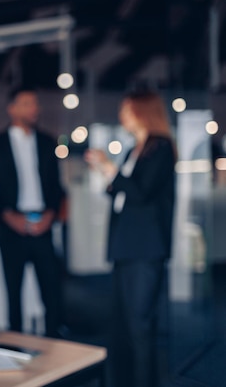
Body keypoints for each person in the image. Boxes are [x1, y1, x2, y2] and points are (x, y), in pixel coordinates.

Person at [84, 90, 176, 387]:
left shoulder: (160, 148)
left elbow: (140, 193)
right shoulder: (133, 149)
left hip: (146, 248)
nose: (121, 116)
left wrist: (110, 168)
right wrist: (106, 170)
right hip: (126, 246)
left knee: (140, 325)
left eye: (126, 110)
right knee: (123, 325)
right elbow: (119, 193)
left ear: (142, 111)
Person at [0, 86, 65, 337]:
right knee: (13, 291)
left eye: (36, 103)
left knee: (52, 290)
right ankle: (16, 345)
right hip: (11, 227)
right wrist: (7, 216)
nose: (35, 109)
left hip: (44, 222)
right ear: (12, 109)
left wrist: (50, 215)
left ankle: (55, 345)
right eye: (28, 103)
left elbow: (56, 186)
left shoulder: (48, 141)